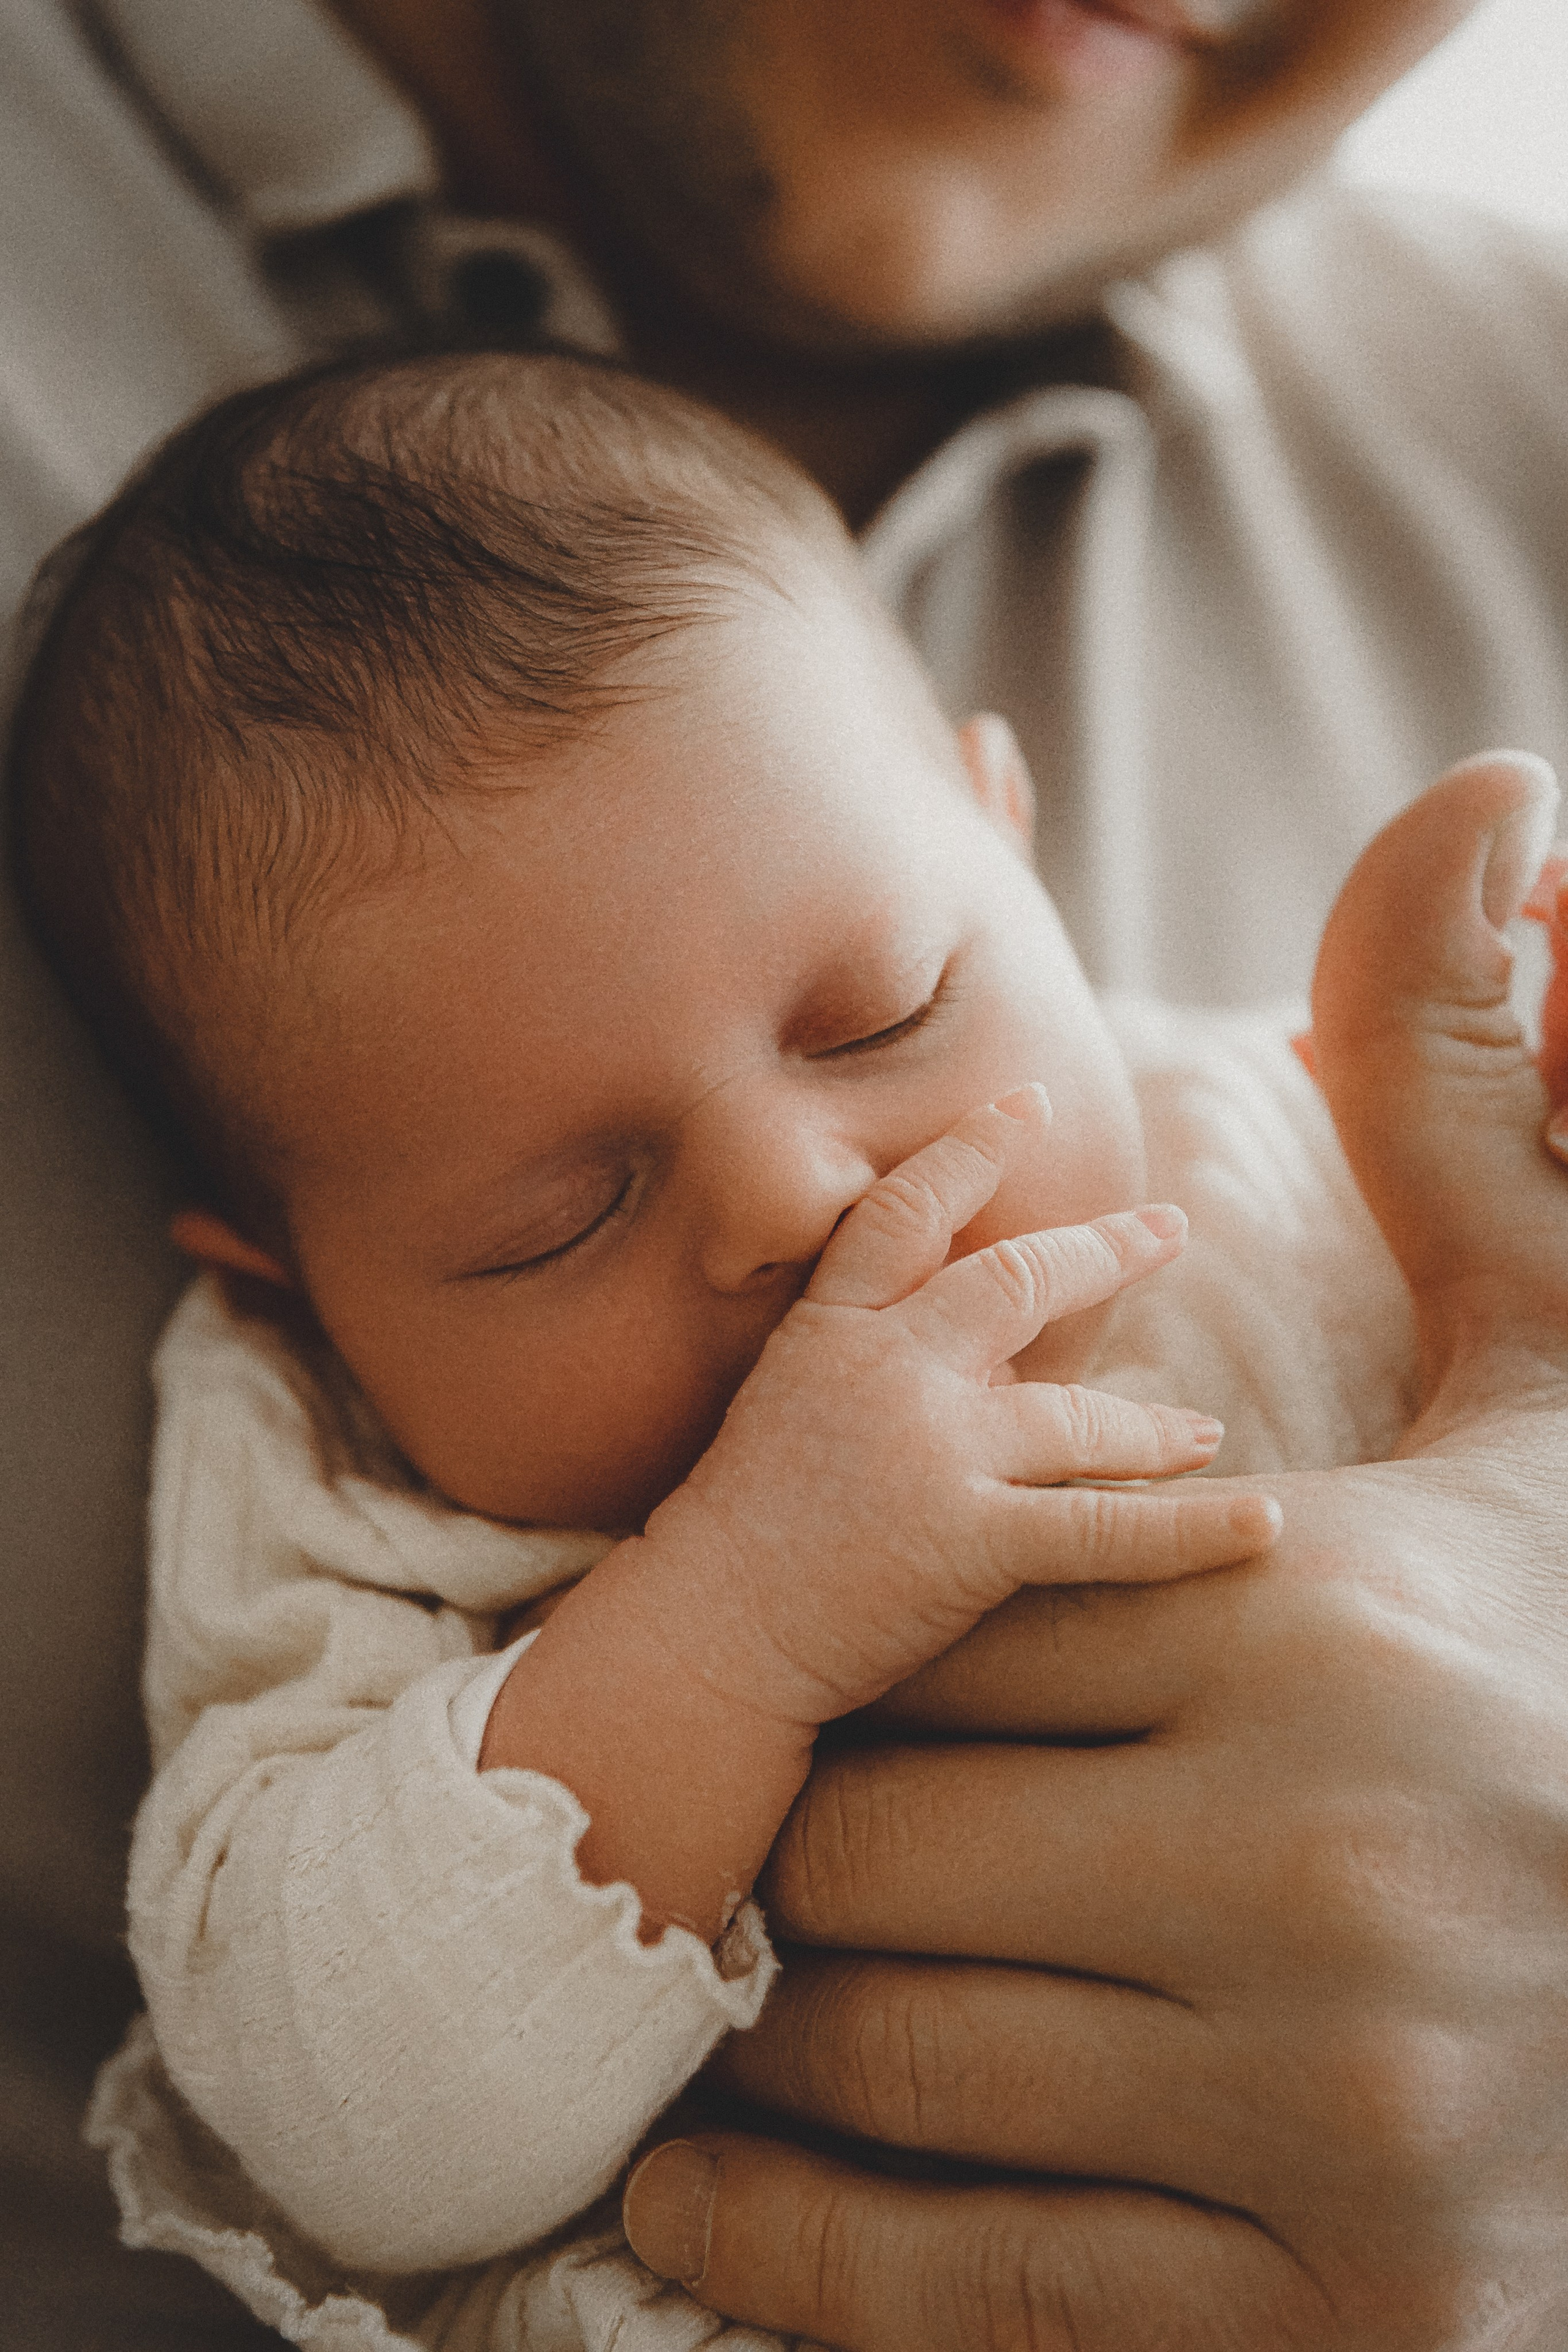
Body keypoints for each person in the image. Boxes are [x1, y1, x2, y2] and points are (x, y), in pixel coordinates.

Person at [4, 1, 1568, 2343]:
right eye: (550, 1219)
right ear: (286, 1279)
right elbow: (350, 2124)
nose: (801, 1198)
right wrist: (733, 1614)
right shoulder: (338, 1496)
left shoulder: (1286, 1129)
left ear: (1005, 836)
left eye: (888, 1016)